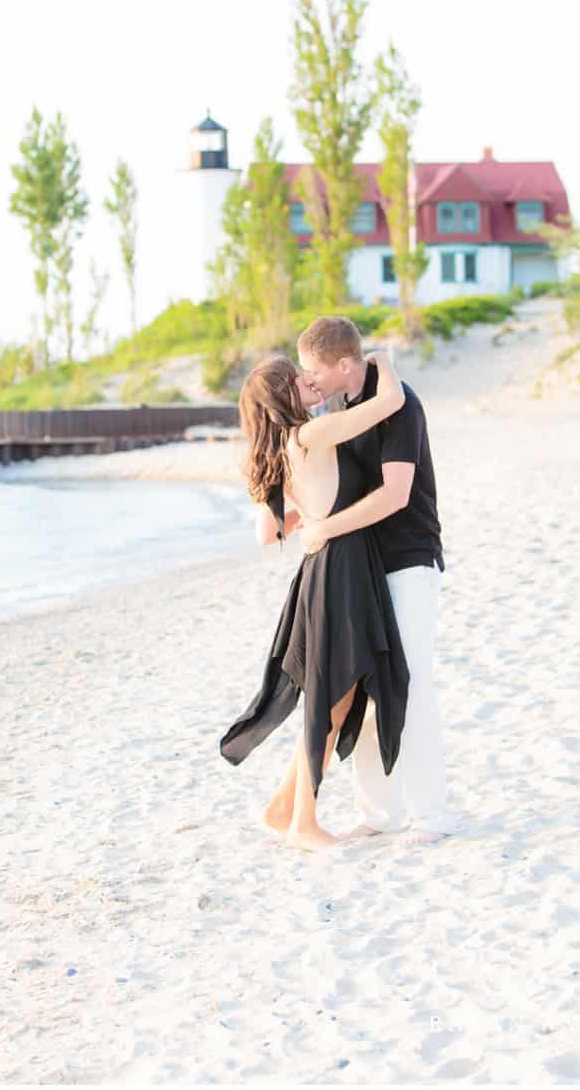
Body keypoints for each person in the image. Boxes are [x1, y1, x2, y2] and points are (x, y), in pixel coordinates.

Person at [219, 351, 411, 853]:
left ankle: (284, 809)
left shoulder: (285, 447)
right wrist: (382, 359)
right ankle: (304, 823)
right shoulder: (309, 434)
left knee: (336, 695)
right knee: (332, 699)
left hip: (326, 565)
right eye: (296, 377)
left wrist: (312, 511)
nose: (308, 379)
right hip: (340, 566)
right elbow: (390, 401)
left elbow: (268, 531)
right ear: (284, 394)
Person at [296, 316, 461, 846]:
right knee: (365, 688)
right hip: (361, 567)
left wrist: (325, 529)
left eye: (314, 370)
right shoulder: (340, 407)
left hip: (409, 558)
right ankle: (379, 813)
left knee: (408, 687)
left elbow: (394, 495)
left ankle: (432, 816)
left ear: (344, 364)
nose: (311, 381)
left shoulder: (400, 402)